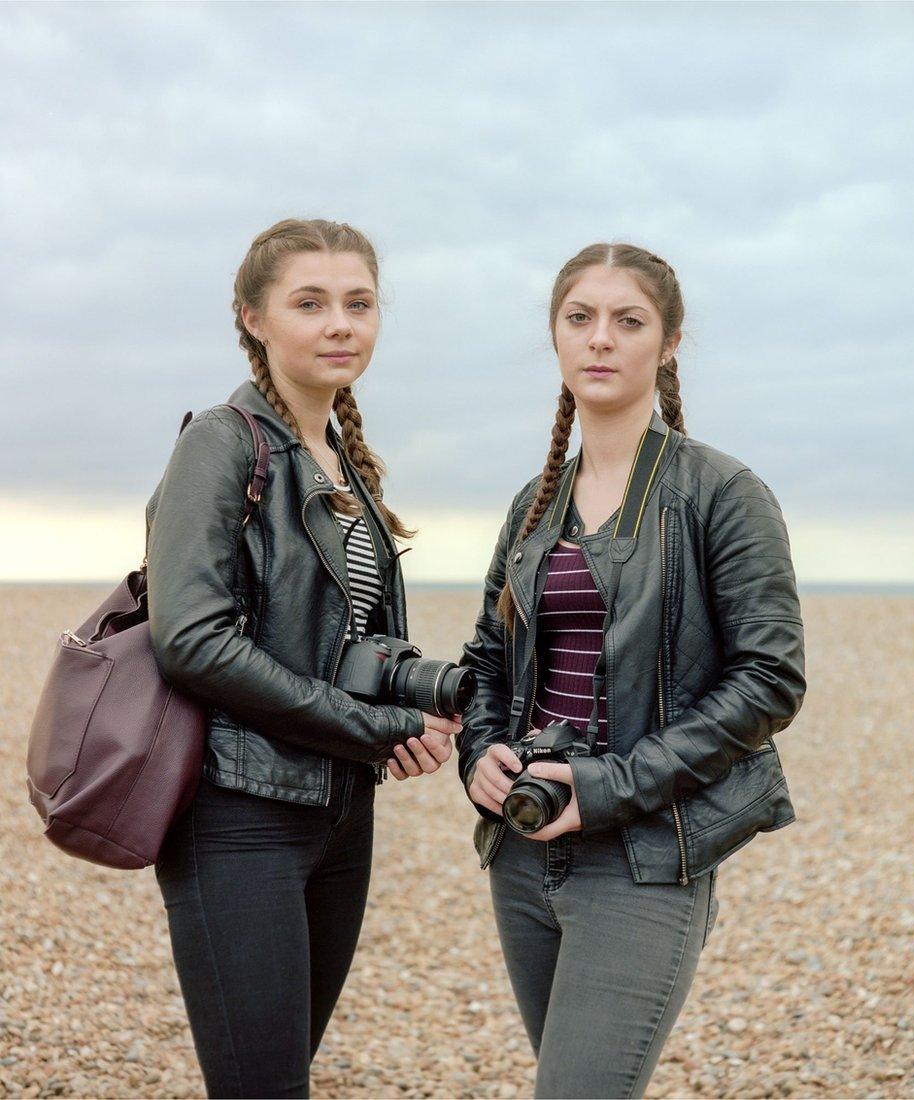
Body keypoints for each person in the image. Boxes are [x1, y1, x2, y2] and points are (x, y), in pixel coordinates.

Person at [457, 243, 806, 1099]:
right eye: (579, 319)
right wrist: (480, 754)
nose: (600, 340)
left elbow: (771, 678)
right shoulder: (533, 503)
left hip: (648, 857)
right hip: (522, 854)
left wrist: (606, 788)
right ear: (556, 337)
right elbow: (485, 663)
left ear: (670, 340)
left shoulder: (722, 491)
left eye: (628, 320)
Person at [145, 218, 461, 1099]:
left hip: (338, 816)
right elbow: (193, 640)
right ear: (253, 319)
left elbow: (341, 642)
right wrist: (370, 725)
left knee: (283, 1076)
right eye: (310, 303)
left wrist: (410, 711)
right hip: (238, 813)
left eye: (359, 304)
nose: (340, 325)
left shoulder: (342, 462)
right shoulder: (221, 441)